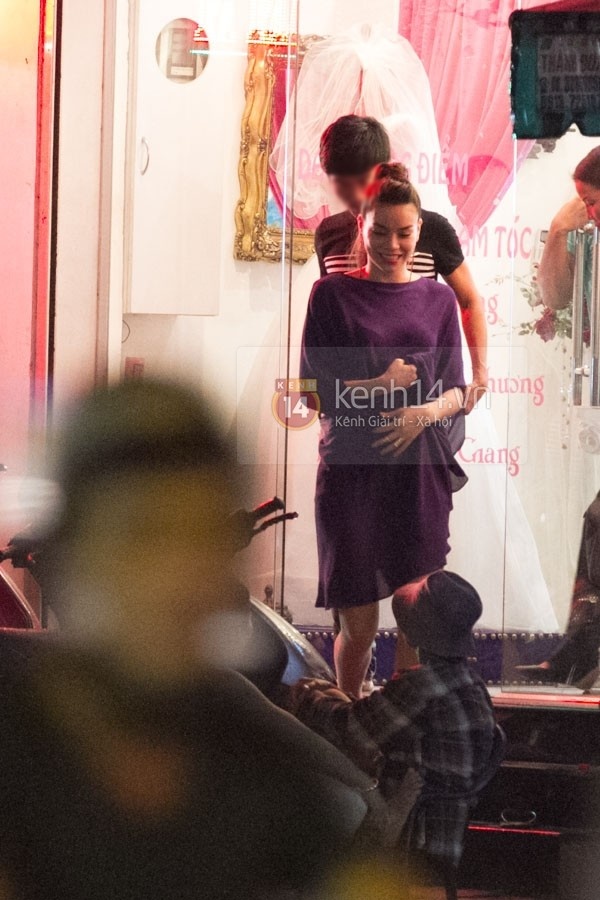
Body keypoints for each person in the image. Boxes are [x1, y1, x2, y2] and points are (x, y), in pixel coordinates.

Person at [0, 379, 377, 900]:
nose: (180, 574)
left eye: (200, 536)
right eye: (144, 535)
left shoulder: (267, 772)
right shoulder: (24, 749)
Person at [300, 166, 468, 696]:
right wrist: (379, 384)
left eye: (404, 232)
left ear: (420, 231)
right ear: (361, 226)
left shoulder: (438, 300)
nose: (391, 245)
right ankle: (349, 719)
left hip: (417, 477)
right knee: (359, 625)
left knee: (415, 621)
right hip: (351, 474)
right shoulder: (330, 295)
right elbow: (311, 394)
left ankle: (405, 727)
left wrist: (423, 414)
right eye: (379, 231)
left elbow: (457, 391)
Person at [281, 571, 496, 875]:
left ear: (413, 634)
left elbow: (348, 730)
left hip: (412, 832)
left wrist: (309, 695)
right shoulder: (471, 684)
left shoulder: (421, 686)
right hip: (446, 831)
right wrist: (337, 696)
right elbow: (373, 718)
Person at [315, 115, 488, 413]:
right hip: (353, 401)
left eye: (359, 180)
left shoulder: (432, 228)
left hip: (422, 394)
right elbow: (331, 327)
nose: (351, 193)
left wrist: (480, 373)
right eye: (340, 182)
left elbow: (469, 299)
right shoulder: (328, 233)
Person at [538, 144, 600, 312]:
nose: (589, 212)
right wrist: (557, 230)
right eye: (585, 203)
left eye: (591, 202)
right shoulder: (585, 226)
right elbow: (554, 298)